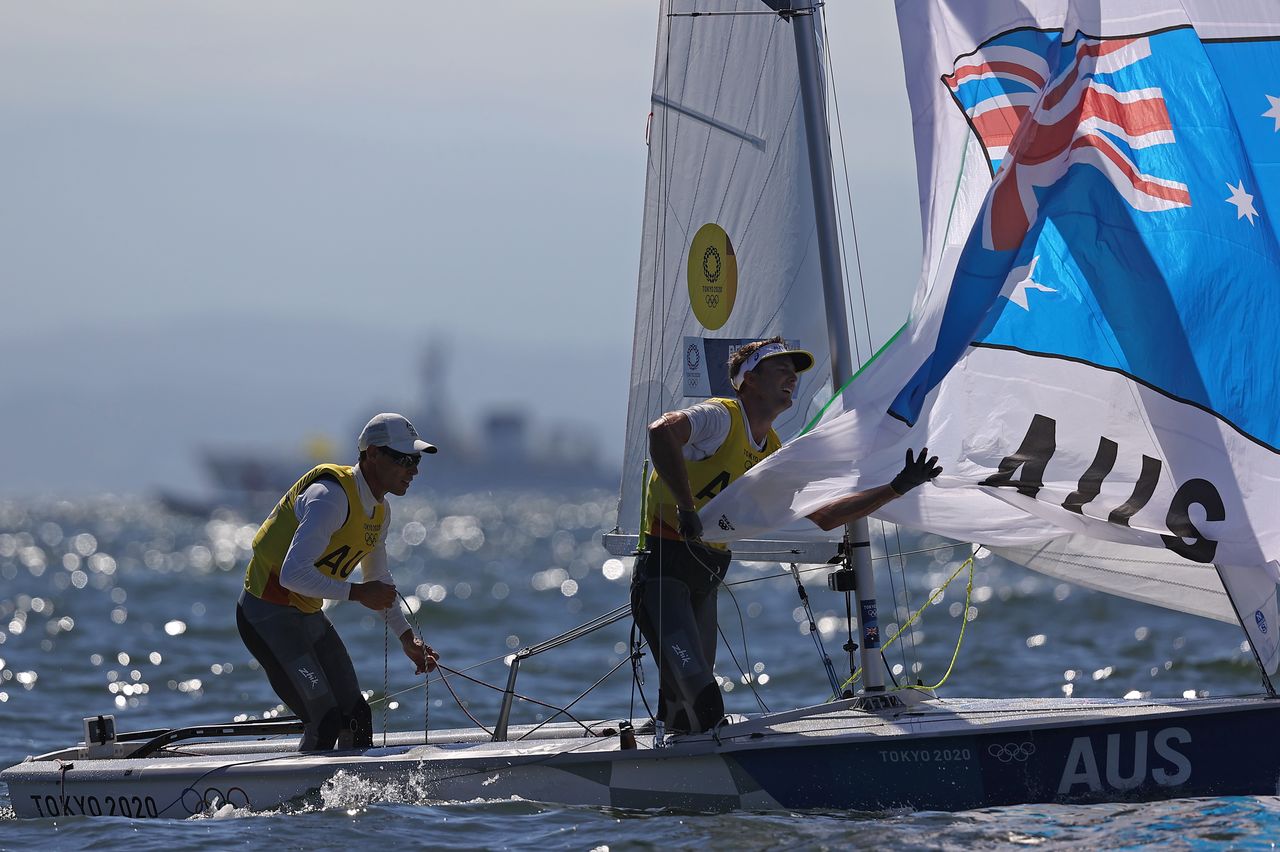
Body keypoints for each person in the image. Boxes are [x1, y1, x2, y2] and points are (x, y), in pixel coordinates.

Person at [633, 337, 941, 734]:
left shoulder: (773, 452)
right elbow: (661, 432)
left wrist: (897, 486)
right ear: (749, 381)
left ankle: (665, 775)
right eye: (780, 369)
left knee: (684, 715)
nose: (791, 378)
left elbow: (824, 515)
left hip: (703, 581)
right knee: (705, 704)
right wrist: (686, 506)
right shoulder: (720, 417)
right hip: (663, 575)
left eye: (794, 372)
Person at [237, 412, 441, 751]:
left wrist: (407, 638)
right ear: (372, 454)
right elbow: (292, 574)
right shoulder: (328, 497)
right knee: (326, 719)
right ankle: (302, 800)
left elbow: (377, 579)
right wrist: (358, 593)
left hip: (306, 616)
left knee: (357, 714)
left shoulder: (380, 511)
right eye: (404, 459)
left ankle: (355, 802)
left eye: (416, 460)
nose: (414, 470)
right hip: (266, 615)